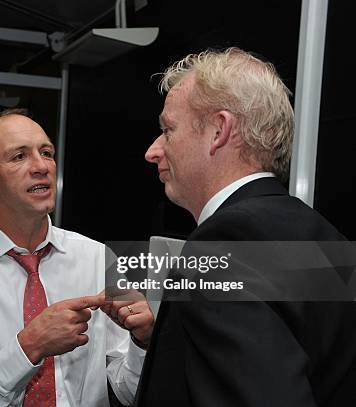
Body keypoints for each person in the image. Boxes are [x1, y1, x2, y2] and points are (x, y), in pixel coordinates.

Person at [137, 47, 356, 406]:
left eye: (168, 130)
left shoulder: (221, 245)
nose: (154, 150)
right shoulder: (322, 234)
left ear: (219, 130)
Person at [0, 108, 154, 406]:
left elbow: (128, 391)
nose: (42, 166)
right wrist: (29, 347)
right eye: (19, 156)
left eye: (46, 152)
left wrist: (143, 341)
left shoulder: (97, 258)